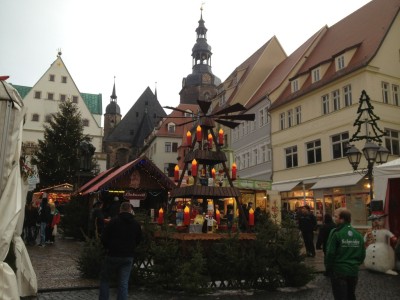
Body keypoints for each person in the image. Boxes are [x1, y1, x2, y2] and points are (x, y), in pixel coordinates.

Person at [99, 201, 142, 300]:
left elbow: (104, 237)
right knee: (123, 282)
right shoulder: (135, 224)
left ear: (120, 209)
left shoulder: (113, 222)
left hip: (113, 254)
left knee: (105, 279)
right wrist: (132, 247)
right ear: (130, 210)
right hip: (128, 256)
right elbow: (139, 238)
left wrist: (107, 247)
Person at [325, 207, 366, 300]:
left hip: (339, 271)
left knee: (340, 297)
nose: (334, 218)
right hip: (353, 271)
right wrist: (355, 264)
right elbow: (362, 254)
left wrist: (328, 267)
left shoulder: (336, 233)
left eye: (336, 217)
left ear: (342, 219)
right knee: (351, 296)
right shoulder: (358, 234)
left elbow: (330, 253)